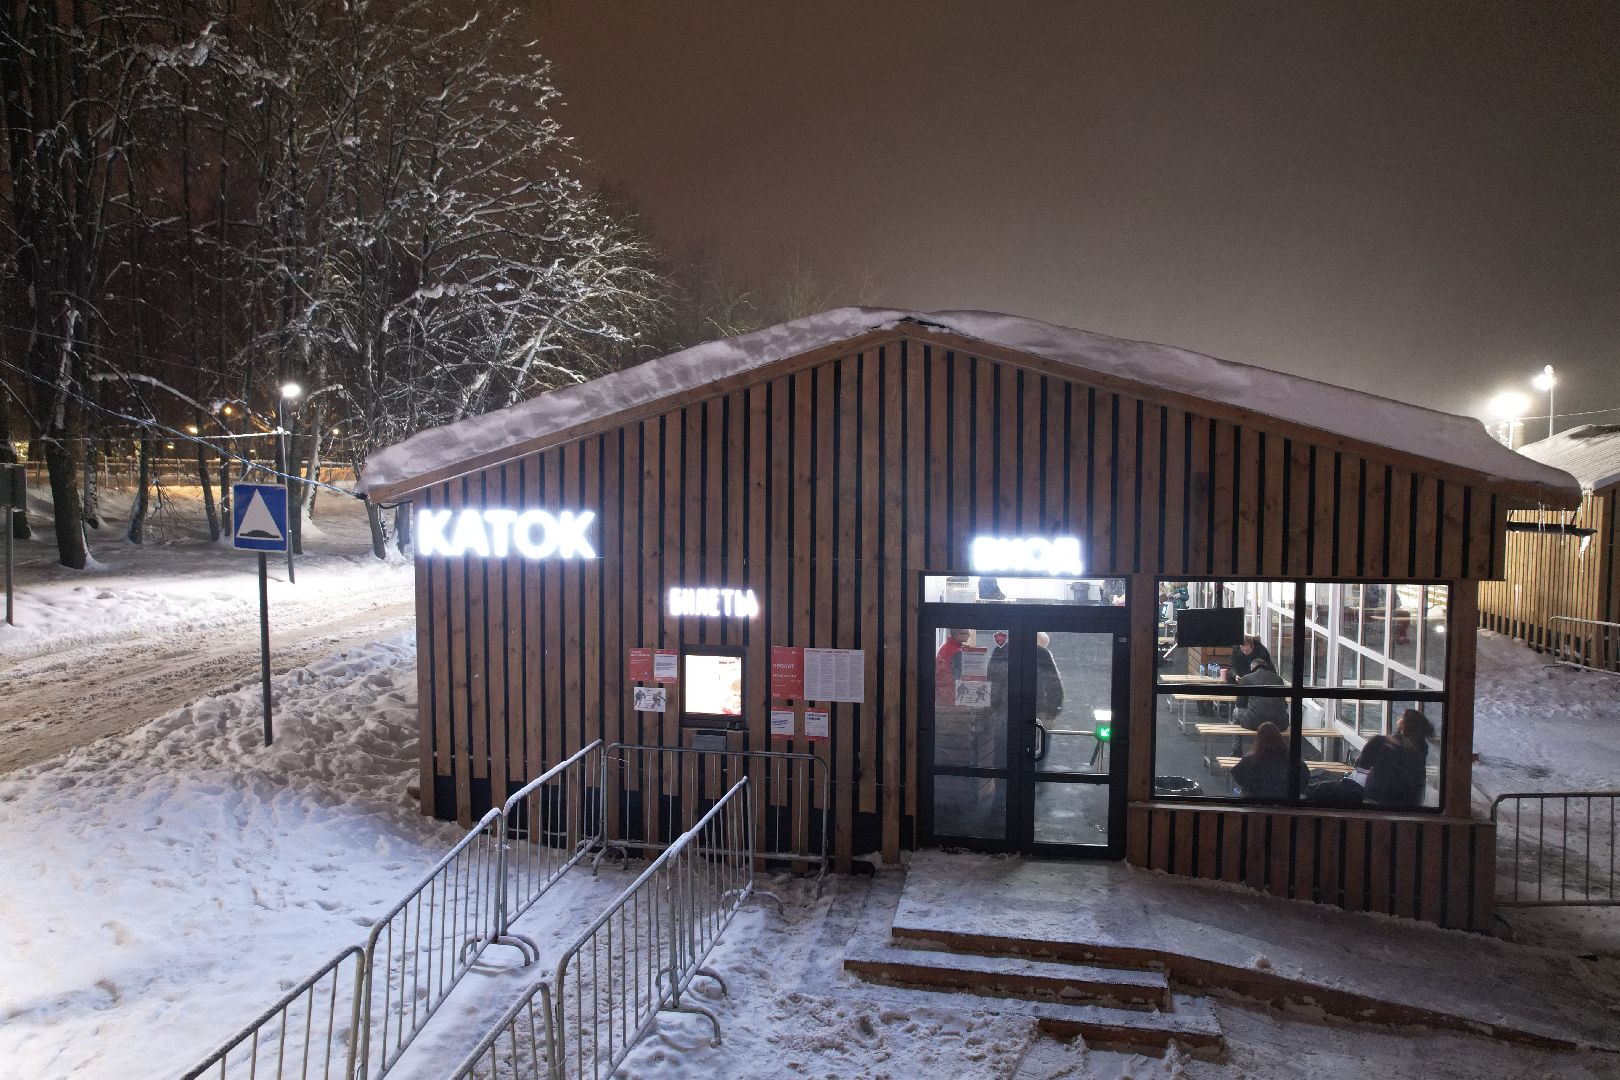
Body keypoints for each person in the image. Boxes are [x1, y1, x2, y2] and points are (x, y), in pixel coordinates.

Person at [1359, 709, 1434, 806]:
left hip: (1377, 797)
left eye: (1402, 716)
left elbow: (1363, 765)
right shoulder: (1422, 748)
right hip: (1409, 802)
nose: (1398, 717)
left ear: (1405, 724)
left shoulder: (1379, 742)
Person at [1231, 722, 1308, 800]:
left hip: (1257, 799)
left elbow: (1237, 774)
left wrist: (1251, 787)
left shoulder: (1250, 759)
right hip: (1286, 799)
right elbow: (1304, 775)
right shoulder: (1291, 758)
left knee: (1237, 791)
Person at [1231, 657, 1286, 731]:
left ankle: (1237, 738)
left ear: (1252, 668)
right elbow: (1283, 703)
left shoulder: (1246, 678)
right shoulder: (1278, 679)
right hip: (1279, 723)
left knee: (1236, 710)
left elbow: (1239, 703)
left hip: (1255, 722)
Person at [935, 628, 971, 704]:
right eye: (966, 633)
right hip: (951, 694)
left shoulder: (945, 647)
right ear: (957, 635)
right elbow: (960, 676)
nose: (969, 635)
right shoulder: (956, 652)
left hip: (942, 692)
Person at [1034, 631, 1064, 721]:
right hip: (1037, 709)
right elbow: (1053, 684)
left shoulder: (1002, 651)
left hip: (1005, 707)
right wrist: (1053, 710)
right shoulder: (1041, 654)